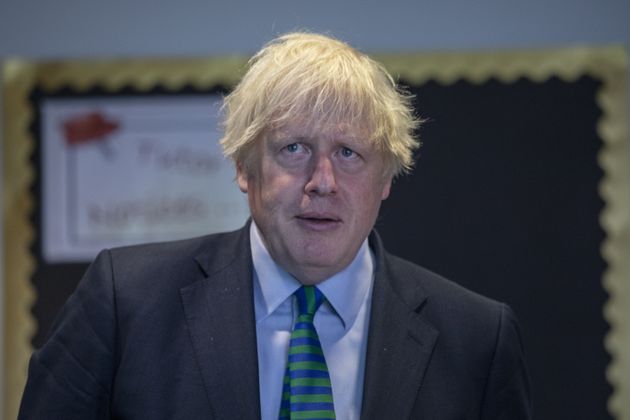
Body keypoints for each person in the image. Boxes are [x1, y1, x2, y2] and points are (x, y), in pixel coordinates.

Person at [18, 32, 532, 419]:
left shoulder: (477, 339)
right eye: (294, 148)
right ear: (244, 167)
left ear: (386, 180)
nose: (322, 181)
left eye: (349, 153)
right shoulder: (125, 303)